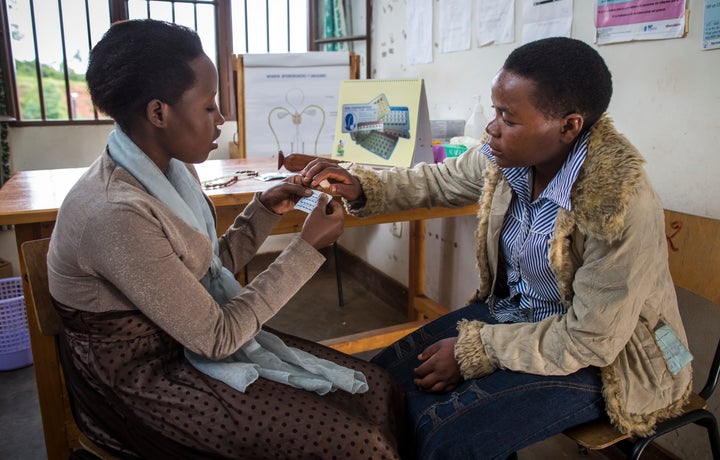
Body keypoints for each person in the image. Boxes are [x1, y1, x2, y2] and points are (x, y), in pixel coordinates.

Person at [297, 37, 692, 459]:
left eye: (508, 117)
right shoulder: (506, 158)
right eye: (494, 110)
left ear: (569, 126)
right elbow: (440, 181)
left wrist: (477, 350)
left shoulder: (617, 203)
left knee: (442, 437)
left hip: (609, 361)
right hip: (516, 318)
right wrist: (361, 183)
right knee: (378, 385)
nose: (491, 127)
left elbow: (591, 340)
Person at [47, 19, 405, 459]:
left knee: (380, 388)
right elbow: (217, 338)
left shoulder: (170, 169)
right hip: (142, 380)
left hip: (185, 336)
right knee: (359, 443)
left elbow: (200, 267)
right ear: (159, 112)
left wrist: (262, 212)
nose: (221, 120)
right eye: (209, 107)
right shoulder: (115, 212)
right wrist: (306, 249)